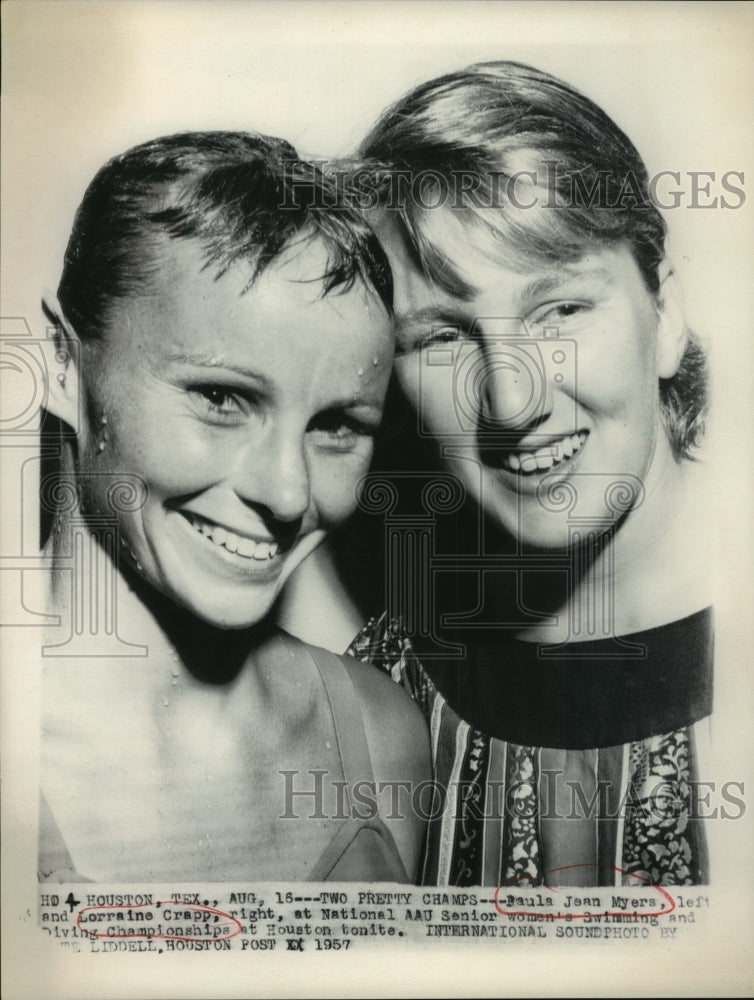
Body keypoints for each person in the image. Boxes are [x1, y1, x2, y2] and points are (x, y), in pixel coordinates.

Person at [335, 61, 712, 887]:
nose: (511, 400)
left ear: (666, 319)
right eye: (442, 336)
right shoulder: (380, 690)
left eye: (561, 310)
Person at [37, 131, 429, 884]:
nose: (288, 493)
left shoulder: (383, 736)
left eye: (336, 426)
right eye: (221, 399)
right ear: (60, 366)